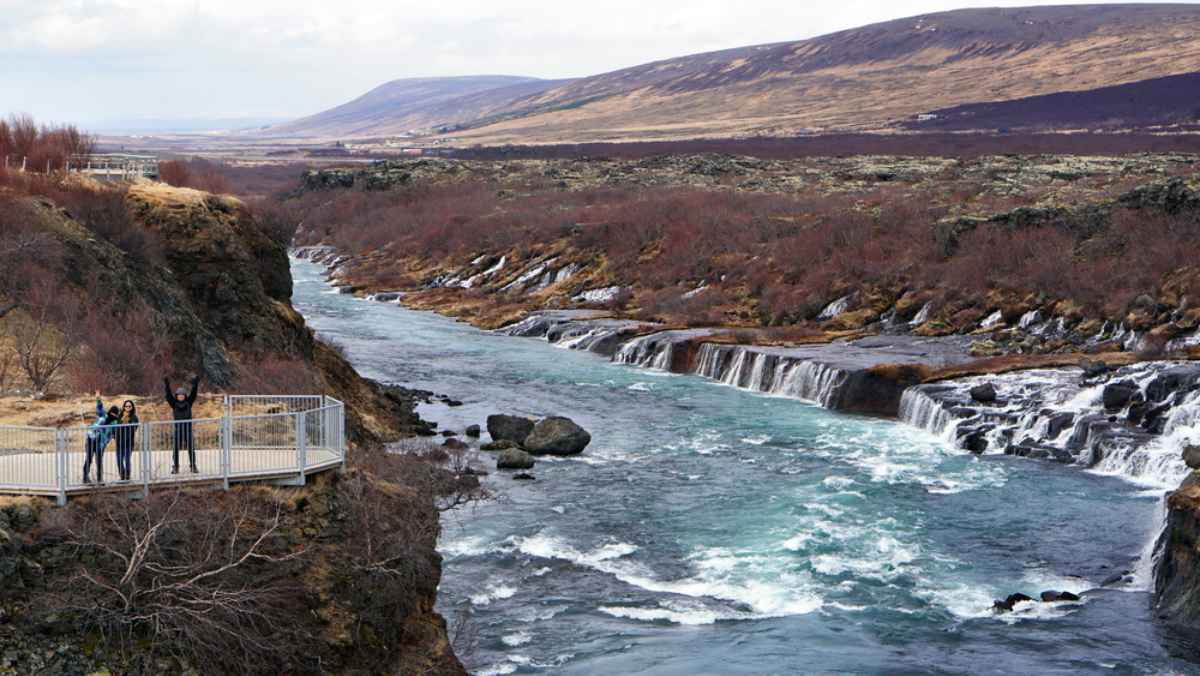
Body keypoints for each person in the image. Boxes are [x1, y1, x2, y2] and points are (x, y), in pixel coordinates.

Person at [164, 374, 201, 474]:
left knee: (191, 448)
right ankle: (175, 466)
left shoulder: (189, 402)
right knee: (175, 449)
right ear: (177, 396)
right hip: (178, 430)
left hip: (188, 429)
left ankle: (193, 465)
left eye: (182, 395)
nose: (181, 396)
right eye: (179, 395)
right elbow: (168, 396)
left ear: (185, 396)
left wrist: (195, 384)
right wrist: (167, 385)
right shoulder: (174, 403)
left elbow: (193, 394)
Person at [83, 392, 120, 485]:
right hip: (91, 439)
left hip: (101, 443)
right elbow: (99, 408)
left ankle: (100, 479)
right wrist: (98, 399)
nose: (113, 415)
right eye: (112, 413)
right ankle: (85, 477)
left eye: (115, 414)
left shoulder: (114, 424)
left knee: (99, 460)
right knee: (89, 459)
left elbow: (114, 434)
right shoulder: (103, 416)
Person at [114, 400, 139, 482]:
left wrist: (127, 420)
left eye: (129, 406)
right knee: (119, 460)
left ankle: (127, 476)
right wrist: (122, 419)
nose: (127, 408)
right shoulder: (120, 416)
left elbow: (134, 428)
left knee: (127, 460)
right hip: (119, 442)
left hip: (128, 442)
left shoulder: (134, 417)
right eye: (126, 406)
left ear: (132, 407)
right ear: (123, 407)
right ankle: (122, 475)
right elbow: (117, 426)